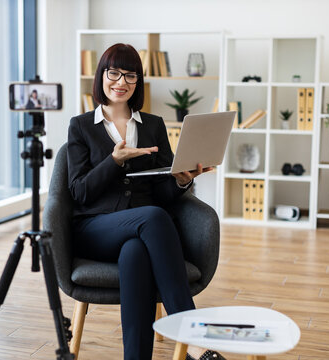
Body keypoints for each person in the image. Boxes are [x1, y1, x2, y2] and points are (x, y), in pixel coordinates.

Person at [67, 43, 224, 360]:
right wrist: (113, 162)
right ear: (102, 76)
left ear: (138, 82)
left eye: (130, 75)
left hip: (143, 232)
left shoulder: (153, 126)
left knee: (136, 253)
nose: (121, 82)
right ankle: (191, 337)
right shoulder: (81, 126)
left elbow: (162, 193)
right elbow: (78, 193)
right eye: (114, 73)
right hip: (95, 229)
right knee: (151, 217)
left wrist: (182, 180)